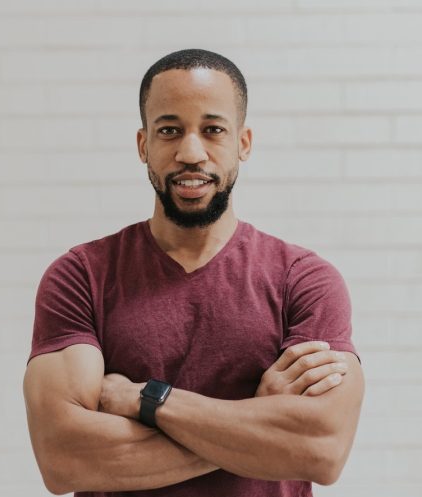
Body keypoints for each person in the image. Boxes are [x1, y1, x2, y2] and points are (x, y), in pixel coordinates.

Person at [23, 48, 364, 497]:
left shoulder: (303, 280)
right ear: (144, 145)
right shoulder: (81, 277)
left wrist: (148, 400)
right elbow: (65, 460)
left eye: (212, 130)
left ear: (243, 142)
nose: (190, 151)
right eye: (169, 130)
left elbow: (320, 449)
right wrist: (256, 419)